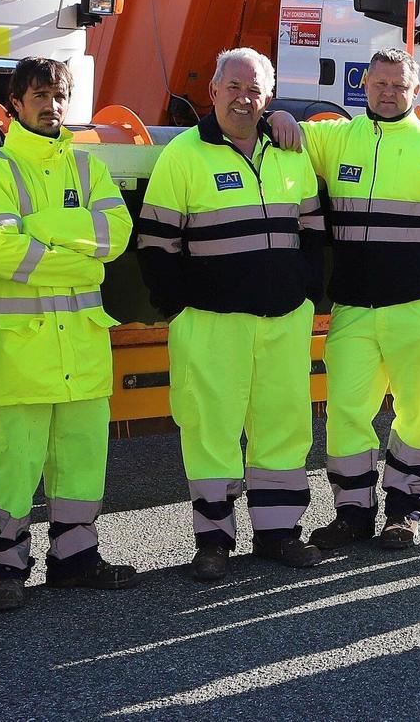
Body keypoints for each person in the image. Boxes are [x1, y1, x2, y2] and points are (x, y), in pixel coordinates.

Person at [265, 48, 420, 549]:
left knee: (418, 413)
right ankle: (353, 513)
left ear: (415, 92)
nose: (389, 93)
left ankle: (404, 514)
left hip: (419, 308)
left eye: (399, 86)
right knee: (345, 411)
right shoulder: (336, 139)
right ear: (364, 84)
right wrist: (277, 113)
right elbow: (281, 132)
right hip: (354, 311)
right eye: (380, 83)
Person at [136, 48, 327, 581]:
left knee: (284, 428)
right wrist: (179, 305)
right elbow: (155, 243)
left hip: (283, 320)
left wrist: (304, 288)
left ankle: (278, 534)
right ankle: (214, 542)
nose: (244, 98)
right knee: (210, 430)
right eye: (234, 87)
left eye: (255, 90)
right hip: (211, 322)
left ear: (268, 98)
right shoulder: (185, 154)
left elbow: (313, 229)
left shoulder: (290, 152)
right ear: (214, 91)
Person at [0, 57, 137, 612]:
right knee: (17, 463)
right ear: (15, 101)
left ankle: (75, 559)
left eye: (59, 95)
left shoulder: (88, 169)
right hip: (22, 352)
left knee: (82, 457)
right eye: (38, 95)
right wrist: (81, 261)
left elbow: (118, 234)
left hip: (81, 346)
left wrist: (42, 230)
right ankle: (8, 567)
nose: (51, 104)